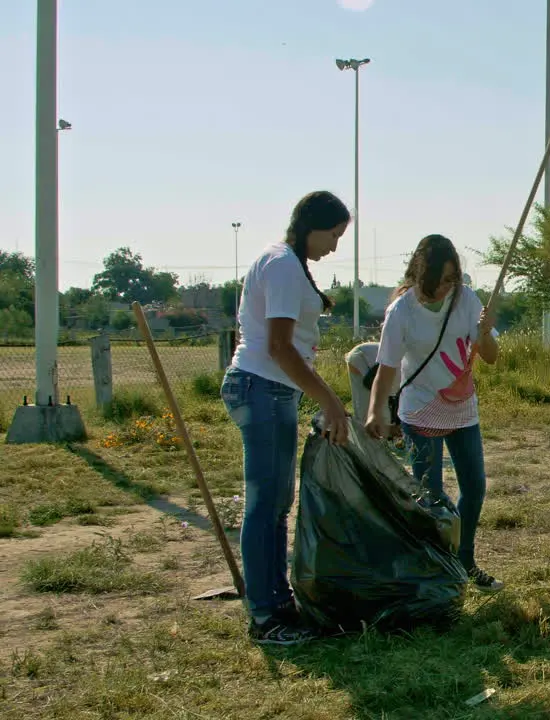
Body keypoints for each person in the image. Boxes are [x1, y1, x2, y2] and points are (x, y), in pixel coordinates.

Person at [221, 190, 351, 646]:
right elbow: (279, 346)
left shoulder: (290, 266)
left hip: (273, 389)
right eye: (333, 234)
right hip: (260, 386)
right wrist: (329, 400)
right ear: (312, 224)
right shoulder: (280, 265)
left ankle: (277, 601)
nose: (334, 245)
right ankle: (264, 616)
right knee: (264, 504)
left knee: (277, 503)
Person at [365, 234, 504, 593]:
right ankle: (438, 567)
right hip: (420, 411)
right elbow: (387, 368)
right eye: (439, 281)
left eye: (451, 280)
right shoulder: (402, 311)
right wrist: (376, 410)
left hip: (462, 410)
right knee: (432, 497)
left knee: (474, 488)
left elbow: (490, 356)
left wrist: (486, 332)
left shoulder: (467, 300)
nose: (446, 288)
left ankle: (466, 560)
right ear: (421, 277)